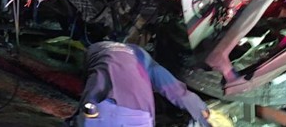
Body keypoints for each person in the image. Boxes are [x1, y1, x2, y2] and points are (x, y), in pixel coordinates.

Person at [66, 41, 212, 127]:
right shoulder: (141, 55)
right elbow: (173, 88)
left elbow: (88, 87)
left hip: (99, 113)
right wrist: (200, 111)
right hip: (138, 119)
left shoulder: (94, 51)